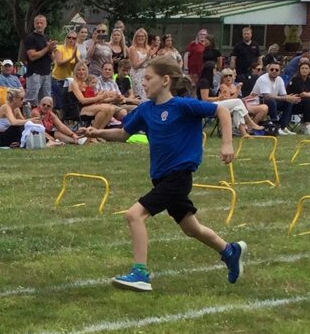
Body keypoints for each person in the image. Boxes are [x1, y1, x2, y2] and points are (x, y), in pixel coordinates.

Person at [83, 56, 245, 292]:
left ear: (165, 80)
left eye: (149, 78)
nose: (144, 83)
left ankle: (140, 273)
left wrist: (227, 143)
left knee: (134, 215)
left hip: (179, 177)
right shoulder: (145, 110)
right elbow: (123, 134)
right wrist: (97, 132)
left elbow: (221, 110)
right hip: (161, 178)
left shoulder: (182, 105)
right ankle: (230, 251)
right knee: (191, 228)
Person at [251, 62, 301, 135]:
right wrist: (285, 97)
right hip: (258, 102)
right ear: (268, 70)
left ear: (280, 71)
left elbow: (283, 95)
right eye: (272, 69)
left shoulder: (279, 79)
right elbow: (266, 96)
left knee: (288, 102)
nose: (274, 71)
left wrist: (290, 98)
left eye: (276, 70)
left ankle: (282, 126)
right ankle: (275, 125)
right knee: (272, 101)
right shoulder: (263, 79)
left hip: (270, 102)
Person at [64, 61, 118, 128]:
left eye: (83, 70)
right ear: (75, 72)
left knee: (111, 108)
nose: (81, 72)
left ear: (86, 71)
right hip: (77, 109)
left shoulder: (85, 83)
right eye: (79, 70)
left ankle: (99, 131)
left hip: (88, 106)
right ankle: (92, 132)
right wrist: (100, 97)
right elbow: (82, 100)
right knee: (103, 109)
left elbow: (92, 96)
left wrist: (106, 95)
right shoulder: (74, 84)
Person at [24, 14, 58, 106]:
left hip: (46, 73)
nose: (39, 25)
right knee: (31, 100)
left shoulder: (46, 38)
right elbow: (32, 56)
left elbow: (52, 58)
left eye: (41, 23)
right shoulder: (30, 38)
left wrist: (51, 51)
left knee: (46, 100)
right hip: (34, 73)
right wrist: (47, 48)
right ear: (34, 24)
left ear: (45, 24)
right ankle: (29, 115)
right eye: (37, 23)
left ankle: (44, 116)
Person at [287, 61, 310, 135]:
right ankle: (306, 124)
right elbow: (303, 94)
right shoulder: (295, 79)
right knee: (309, 100)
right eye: (302, 68)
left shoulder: (308, 80)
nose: (304, 70)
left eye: (306, 68)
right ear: (299, 70)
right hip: (292, 104)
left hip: (304, 104)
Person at [51, 32, 80, 109]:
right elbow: (59, 62)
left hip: (69, 80)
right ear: (66, 38)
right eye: (69, 37)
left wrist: (76, 57)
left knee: (67, 101)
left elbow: (75, 67)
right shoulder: (59, 48)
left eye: (74, 38)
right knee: (59, 102)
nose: (71, 39)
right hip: (58, 79)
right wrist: (71, 57)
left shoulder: (76, 51)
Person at [129, 28, 152, 101]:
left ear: (145, 37)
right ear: (135, 37)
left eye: (142, 36)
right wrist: (146, 57)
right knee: (141, 95)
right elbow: (135, 65)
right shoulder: (133, 48)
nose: (140, 38)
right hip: (137, 74)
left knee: (148, 94)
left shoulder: (148, 48)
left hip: (147, 73)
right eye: (138, 36)